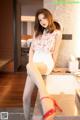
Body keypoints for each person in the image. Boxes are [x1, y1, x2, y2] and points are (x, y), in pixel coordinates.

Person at [23, 8, 62, 120]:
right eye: (40, 20)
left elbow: (56, 52)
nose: (42, 21)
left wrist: (54, 67)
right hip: (33, 65)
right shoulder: (36, 32)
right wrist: (30, 65)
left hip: (46, 62)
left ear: (49, 17)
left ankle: (45, 99)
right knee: (25, 97)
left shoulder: (57, 33)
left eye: (44, 18)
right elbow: (31, 50)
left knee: (29, 66)